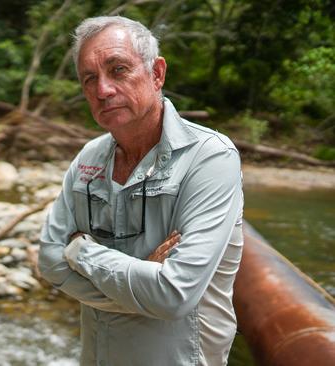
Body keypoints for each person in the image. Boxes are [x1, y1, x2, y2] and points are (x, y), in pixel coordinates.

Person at [38, 15, 244, 366]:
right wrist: (142, 282)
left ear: (157, 73)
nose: (102, 89)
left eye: (118, 70)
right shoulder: (89, 157)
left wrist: (80, 251)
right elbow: (49, 261)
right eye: (90, 78)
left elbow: (173, 295)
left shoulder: (210, 157)